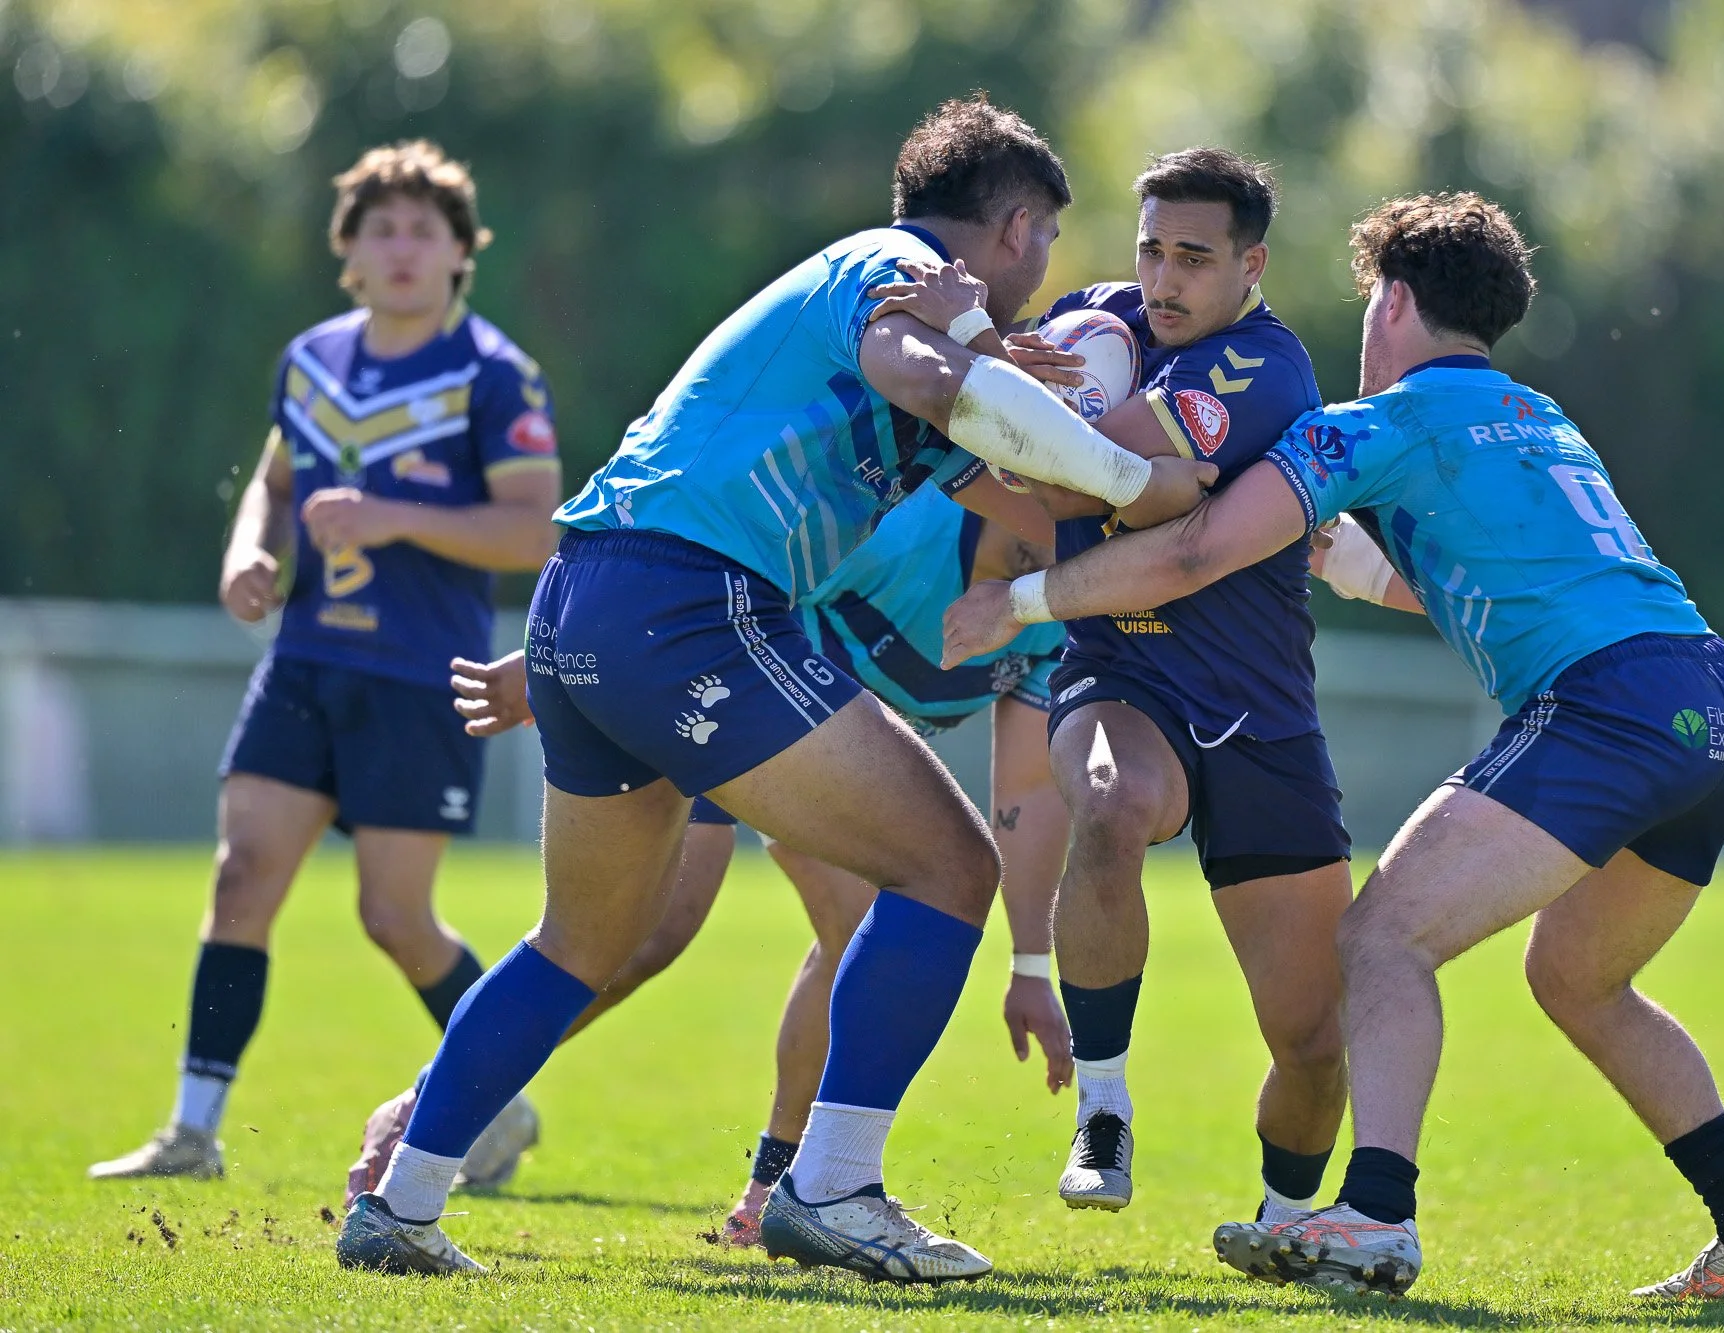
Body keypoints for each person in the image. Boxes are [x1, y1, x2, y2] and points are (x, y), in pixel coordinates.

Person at [335, 94, 1215, 1279]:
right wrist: (1128, 470)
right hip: (691, 606)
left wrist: (1152, 475)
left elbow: (1040, 497)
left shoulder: (921, 314)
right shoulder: (899, 269)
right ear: (1015, 227)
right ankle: (832, 1185)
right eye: (1047, 239)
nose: (1046, 265)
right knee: (947, 868)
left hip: (590, 595)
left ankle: (399, 1204)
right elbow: (918, 371)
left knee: (580, 941)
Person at [941, 192, 1724, 1303]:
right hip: (1716, 705)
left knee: (1380, 938)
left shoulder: (1373, 424)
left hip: (1610, 708)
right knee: (1579, 979)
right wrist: (1330, 555)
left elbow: (1193, 551)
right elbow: (1463, 576)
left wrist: (1020, 599)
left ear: (1392, 302)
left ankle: (1376, 1215)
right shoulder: (1536, 414)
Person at [340, 485, 1077, 1252]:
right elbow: (732, 576)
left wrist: (1030, 964)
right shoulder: (909, 529)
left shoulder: (1053, 610)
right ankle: (428, 1110)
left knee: (857, 928)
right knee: (637, 936)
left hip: (826, 765)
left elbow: (1027, 792)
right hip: (721, 692)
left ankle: (780, 1187)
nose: (1082, 521)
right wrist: (562, 657)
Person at [881, 148, 1364, 1227]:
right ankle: (1102, 1108)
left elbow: (1081, 467)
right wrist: (983, 362)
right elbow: (1041, 457)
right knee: (1107, 800)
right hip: (1120, 669)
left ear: (1251, 265)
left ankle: (1286, 1219)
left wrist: (982, 361)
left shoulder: (1263, 368)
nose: (1163, 279)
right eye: (1151, 249)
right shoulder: (1094, 318)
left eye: (1194, 257)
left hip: (1259, 712)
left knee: (1312, 1040)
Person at [89, 141, 562, 1184]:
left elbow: (535, 531)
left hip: (419, 675)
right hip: (304, 661)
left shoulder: (492, 373)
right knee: (241, 875)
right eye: (379, 230)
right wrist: (246, 553)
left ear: (461, 254)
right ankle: (192, 1131)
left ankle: (500, 1101)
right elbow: (273, 483)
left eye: (423, 231)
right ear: (347, 254)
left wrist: (394, 516)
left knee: (394, 917)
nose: (401, 249)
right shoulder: (310, 361)